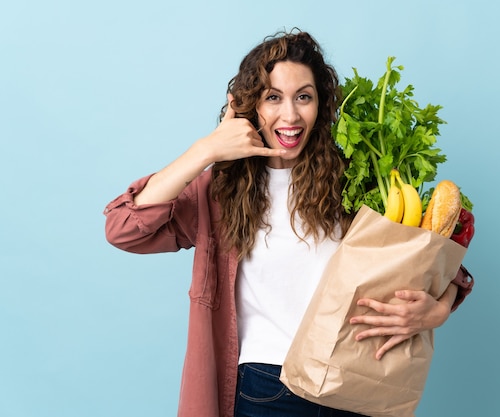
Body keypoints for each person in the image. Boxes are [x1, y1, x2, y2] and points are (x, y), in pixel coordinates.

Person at [104, 29, 473, 417]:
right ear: (251, 106)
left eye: (304, 97)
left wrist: (438, 310)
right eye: (273, 97)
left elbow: (432, 265)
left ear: (321, 104)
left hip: (353, 382)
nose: (291, 115)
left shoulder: (358, 181)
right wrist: (206, 149)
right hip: (266, 387)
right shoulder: (219, 192)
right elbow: (124, 228)